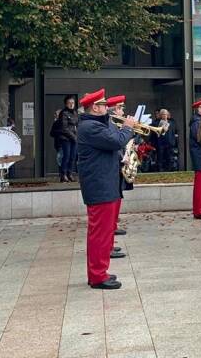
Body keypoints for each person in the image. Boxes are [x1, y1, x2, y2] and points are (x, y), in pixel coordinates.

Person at [77, 89, 136, 290]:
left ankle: (100, 272)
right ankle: (97, 275)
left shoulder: (98, 123)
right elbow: (116, 141)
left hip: (104, 183)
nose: (107, 108)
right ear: (95, 107)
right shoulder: (90, 127)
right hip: (99, 185)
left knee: (103, 232)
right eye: (104, 105)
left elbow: (113, 139)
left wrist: (114, 122)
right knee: (99, 234)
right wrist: (127, 127)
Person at [106, 95, 131, 244]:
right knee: (115, 197)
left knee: (118, 195)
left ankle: (113, 225)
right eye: (121, 108)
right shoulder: (111, 123)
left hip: (118, 162)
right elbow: (116, 143)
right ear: (115, 109)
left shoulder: (115, 123)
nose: (123, 112)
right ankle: (112, 227)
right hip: (114, 164)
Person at [50, 95, 79, 182]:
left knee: (72, 157)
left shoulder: (75, 113)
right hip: (66, 138)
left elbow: (76, 125)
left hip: (74, 138)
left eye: (73, 103)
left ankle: (69, 174)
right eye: (69, 103)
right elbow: (64, 128)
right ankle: (63, 175)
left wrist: (76, 136)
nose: (71, 104)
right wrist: (73, 137)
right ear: (66, 104)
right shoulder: (64, 113)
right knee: (66, 156)